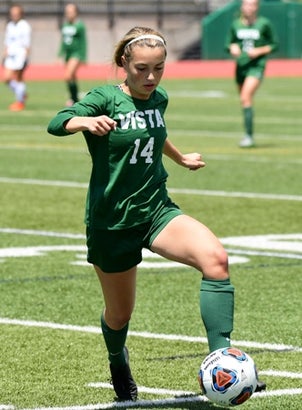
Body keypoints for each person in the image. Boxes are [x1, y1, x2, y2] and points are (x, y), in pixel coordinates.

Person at [48, 26, 266, 401]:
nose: (151, 78)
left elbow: (155, 131)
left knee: (215, 259)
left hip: (156, 209)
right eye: (142, 69)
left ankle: (223, 359)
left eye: (159, 69)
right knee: (119, 315)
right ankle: (117, 358)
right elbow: (57, 122)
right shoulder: (104, 98)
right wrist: (84, 122)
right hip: (113, 221)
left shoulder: (158, 98)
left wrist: (180, 158)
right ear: (123, 64)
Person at [225, 0, 278, 148]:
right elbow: (228, 43)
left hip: (256, 66)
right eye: (246, 4)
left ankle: (249, 137)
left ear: (257, 7)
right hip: (240, 67)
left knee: (245, 97)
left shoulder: (264, 24)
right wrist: (232, 47)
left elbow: (274, 44)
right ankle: (247, 133)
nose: (248, 7)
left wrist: (260, 51)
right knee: (244, 102)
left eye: (252, 4)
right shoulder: (235, 24)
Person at [2, 4, 31, 111]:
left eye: (16, 13)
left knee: (19, 79)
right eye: (12, 13)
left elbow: (27, 44)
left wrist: (25, 57)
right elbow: (7, 42)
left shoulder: (25, 26)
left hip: (20, 55)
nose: (14, 15)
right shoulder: (10, 25)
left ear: (21, 14)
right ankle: (21, 93)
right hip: (11, 55)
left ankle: (20, 102)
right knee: (7, 79)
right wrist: (4, 55)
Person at [58, 3, 87, 106]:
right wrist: (60, 53)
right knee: (72, 78)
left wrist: (83, 56)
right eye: (67, 12)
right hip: (68, 54)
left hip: (76, 54)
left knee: (68, 76)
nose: (68, 14)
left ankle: (74, 98)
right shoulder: (65, 25)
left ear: (76, 13)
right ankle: (75, 98)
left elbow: (83, 41)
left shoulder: (79, 25)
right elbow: (63, 41)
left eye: (71, 12)